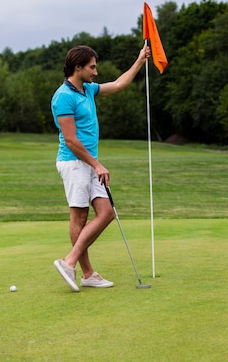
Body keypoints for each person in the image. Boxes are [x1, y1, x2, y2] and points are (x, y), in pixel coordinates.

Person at [51, 44, 151, 291]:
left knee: (106, 212)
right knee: (80, 216)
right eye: (92, 67)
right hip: (74, 163)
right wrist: (96, 164)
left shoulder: (88, 90)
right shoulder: (63, 97)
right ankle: (81, 269)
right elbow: (71, 140)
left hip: (90, 163)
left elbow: (118, 85)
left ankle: (72, 263)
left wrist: (140, 60)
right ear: (78, 67)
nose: (95, 72)